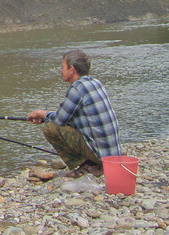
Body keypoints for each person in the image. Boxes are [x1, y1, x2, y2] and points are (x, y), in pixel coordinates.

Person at [27, 49, 121, 178]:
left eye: (63, 66)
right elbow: (72, 117)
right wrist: (46, 117)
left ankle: (88, 165)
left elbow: (60, 120)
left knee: (50, 128)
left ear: (72, 69)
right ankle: (93, 164)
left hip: (102, 157)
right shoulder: (95, 82)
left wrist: (42, 114)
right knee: (52, 123)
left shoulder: (77, 89)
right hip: (113, 154)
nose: (60, 70)